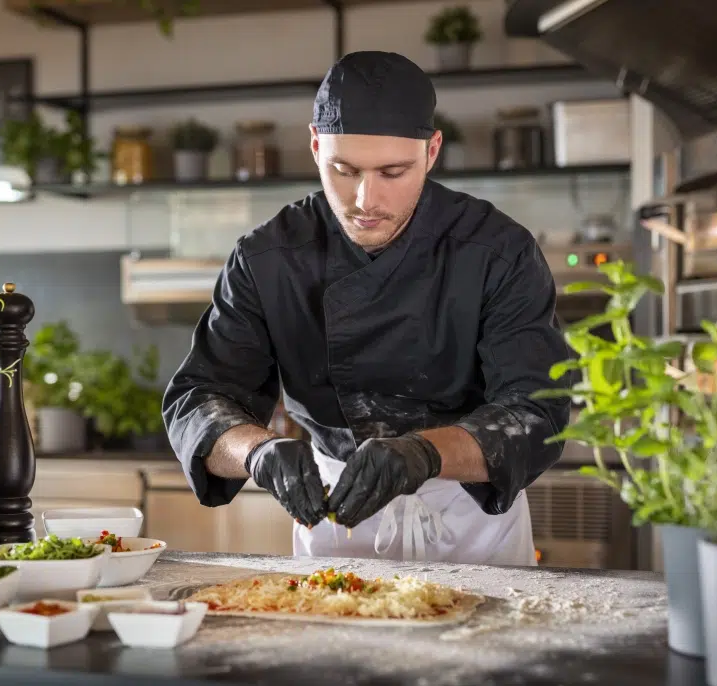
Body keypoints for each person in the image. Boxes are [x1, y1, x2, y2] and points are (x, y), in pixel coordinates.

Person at [163, 51, 572, 567]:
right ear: (315, 146)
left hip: (470, 523)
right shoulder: (268, 259)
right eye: (344, 169)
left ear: (431, 151)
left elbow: (538, 409)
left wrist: (424, 453)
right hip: (337, 523)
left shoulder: (498, 251)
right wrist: (257, 452)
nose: (365, 198)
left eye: (393, 171)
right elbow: (199, 401)